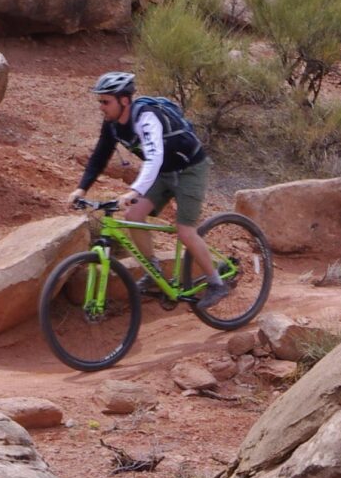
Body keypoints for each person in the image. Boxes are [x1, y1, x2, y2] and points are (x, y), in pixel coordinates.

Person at [72, 71, 226, 304]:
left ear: (124, 100)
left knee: (185, 231)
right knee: (133, 214)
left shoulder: (147, 117)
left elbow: (153, 157)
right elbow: (100, 155)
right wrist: (81, 189)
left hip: (190, 169)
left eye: (106, 101)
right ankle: (153, 272)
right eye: (100, 102)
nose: (101, 107)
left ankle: (216, 283)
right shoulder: (113, 125)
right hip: (164, 173)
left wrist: (135, 190)